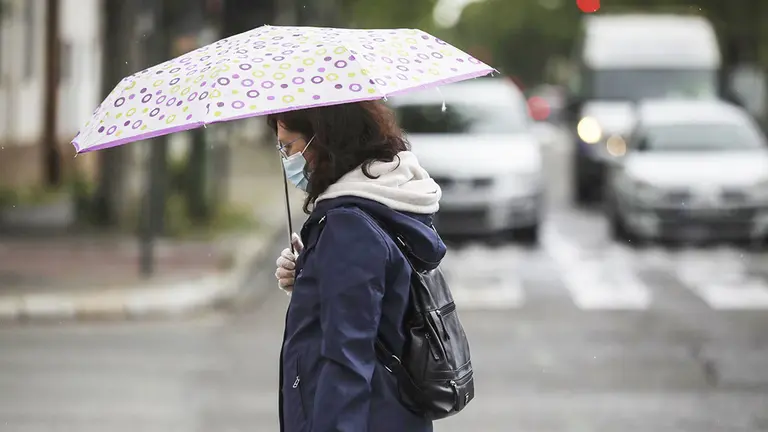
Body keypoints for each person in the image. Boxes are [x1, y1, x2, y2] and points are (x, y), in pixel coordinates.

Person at [270, 100, 445, 432]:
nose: (286, 159)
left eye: (289, 146)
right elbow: (379, 305)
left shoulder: (348, 227)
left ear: (323, 138)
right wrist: (313, 271)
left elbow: (345, 358)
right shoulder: (383, 201)